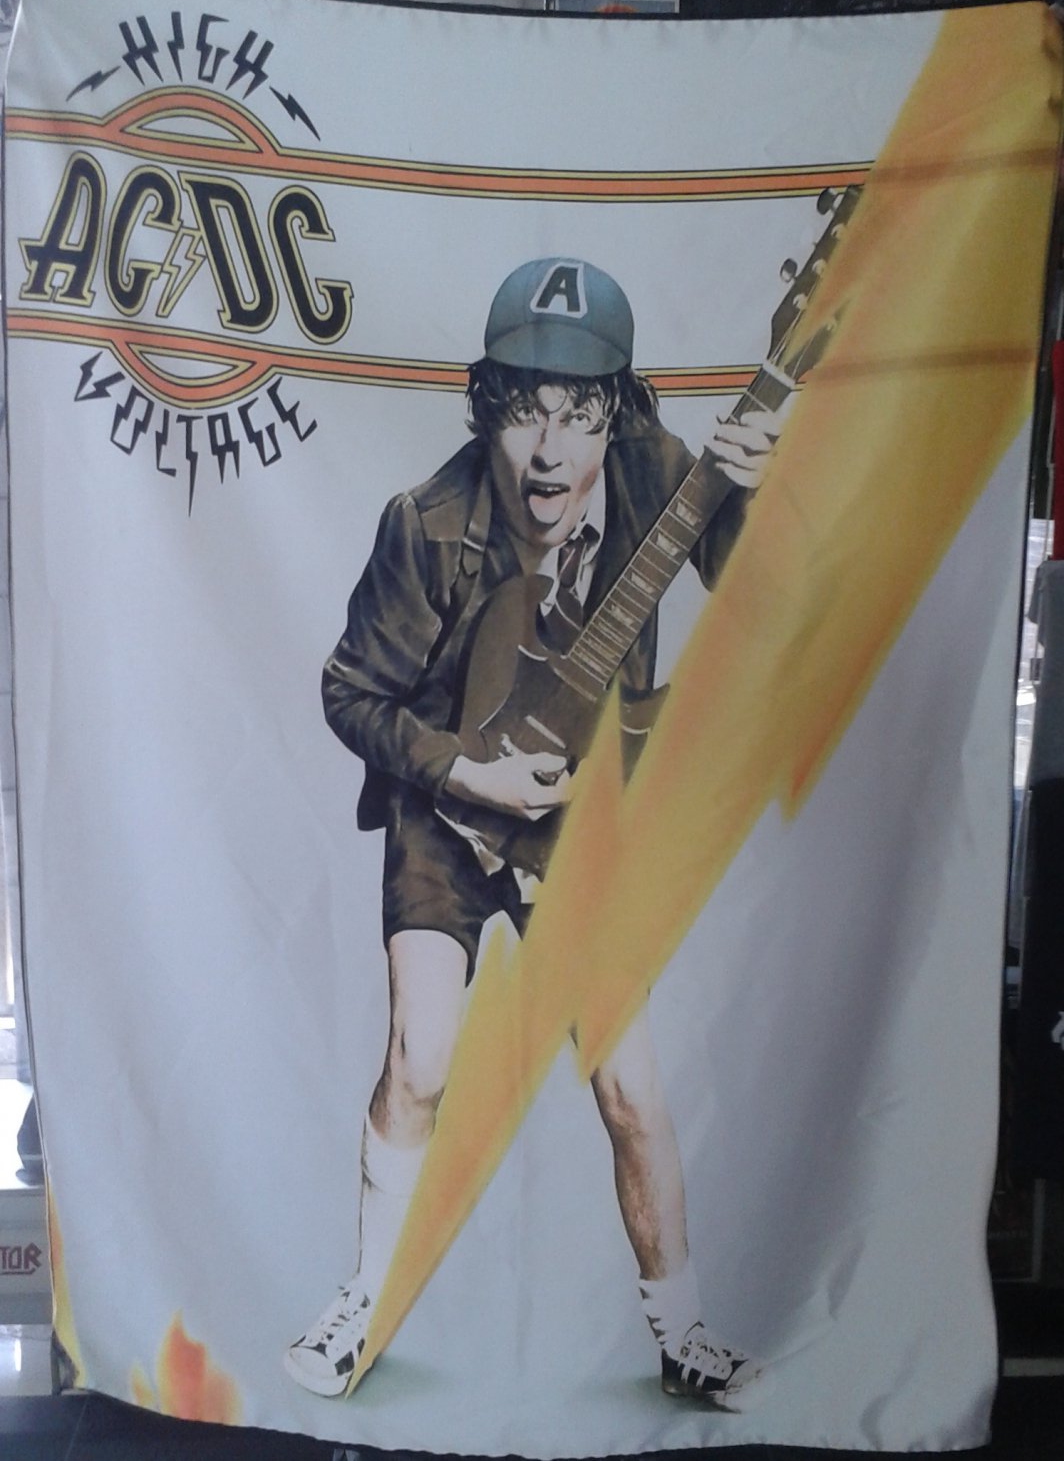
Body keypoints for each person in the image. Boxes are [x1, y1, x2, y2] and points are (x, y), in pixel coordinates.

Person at [285, 257, 780, 1408]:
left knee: (630, 1090)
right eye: (523, 413)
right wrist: (469, 772)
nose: (548, 450)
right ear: (486, 407)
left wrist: (753, 491)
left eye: (576, 415)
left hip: (576, 815)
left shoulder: (659, 474)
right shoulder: (426, 525)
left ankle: (683, 1336)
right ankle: (363, 1304)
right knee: (419, 1059)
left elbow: (767, 596)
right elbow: (349, 693)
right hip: (448, 802)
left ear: (615, 412)